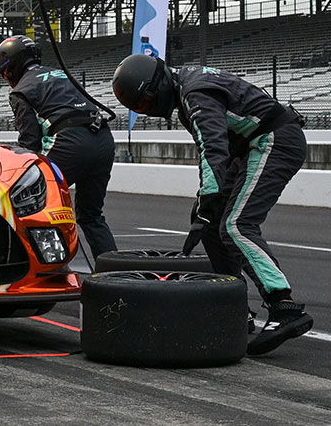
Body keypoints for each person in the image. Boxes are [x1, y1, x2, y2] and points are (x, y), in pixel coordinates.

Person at [112, 54, 313, 355]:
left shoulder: (194, 92)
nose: (149, 109)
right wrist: (205, 206)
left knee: (236, 225)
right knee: (210, 221)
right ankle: (234, 305)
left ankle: (283, 305)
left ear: (157, 83)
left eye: (147, 101)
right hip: (252, 144)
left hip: (275, 140)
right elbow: (213, 153)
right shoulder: (186, 87)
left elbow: (212, 148)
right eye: (140, 107)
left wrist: (208, 201)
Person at [0, 35, 117, 258]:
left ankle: (49, 264)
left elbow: (29, 142)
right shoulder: (64, 74)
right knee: (92, 215)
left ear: (8, 67)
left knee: (29, 202)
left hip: (69, 143)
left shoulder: (20, 90)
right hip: (103, 140)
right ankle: (114, 270)